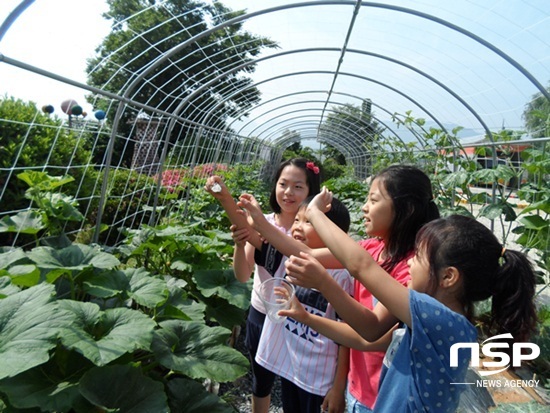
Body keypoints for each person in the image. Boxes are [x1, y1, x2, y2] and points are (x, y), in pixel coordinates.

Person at [281, 189, 538, 412]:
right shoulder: (430, 318)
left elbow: (361, 265)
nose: (411, 262)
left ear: (448, 276)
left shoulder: (442, 321)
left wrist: (314, 214)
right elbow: (367, 333)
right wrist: (305, 317)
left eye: (419, 257)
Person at [238, 165, 440, 412]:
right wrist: (259, 221)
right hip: (358, 383)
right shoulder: (373, 246)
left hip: (385, 390)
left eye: (373, 200)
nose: (364, 207)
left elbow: (373, 329)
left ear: (405, 210)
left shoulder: (411, 268)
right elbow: (307, 252)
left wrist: (321, 282)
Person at [205, 158, 322, 413]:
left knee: (298, 385)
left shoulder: (313, 231)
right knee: (261, 383)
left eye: (298, 187)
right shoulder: (262, 221)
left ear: (311, 192)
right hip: (262, 313)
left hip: (299, 318)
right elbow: (242, 276)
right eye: (283, 184)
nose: (288, 192)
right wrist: (238, 243)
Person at [255, 196, 352, 413]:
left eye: (308, 221)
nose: (297, 227)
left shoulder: (342, 277)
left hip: (319, 378)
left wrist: (338, 388)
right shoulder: (291, 260)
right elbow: (255, 236)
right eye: (297, 220)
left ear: (332, 232)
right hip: (292, 368)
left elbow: (346, 338)